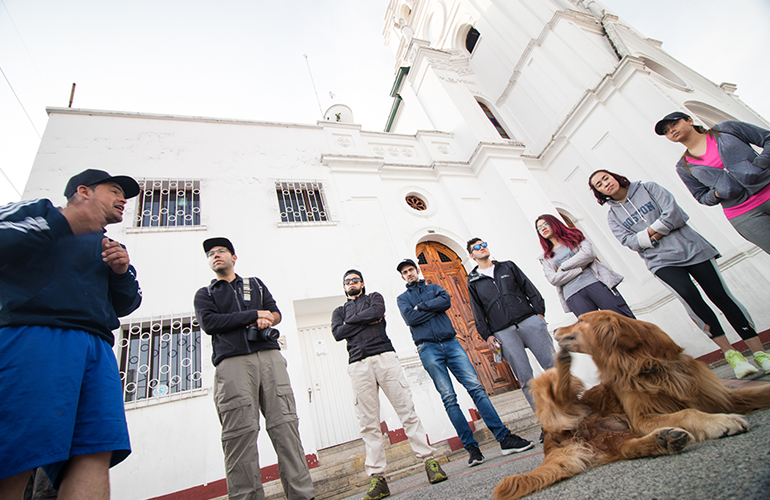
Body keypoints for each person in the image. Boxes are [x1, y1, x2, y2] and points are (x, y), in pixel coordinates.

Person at [0, 169, 143, 499]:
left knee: (93, 452)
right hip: (35, 337)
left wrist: (121, 272)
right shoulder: (39, 212)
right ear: (84, 191)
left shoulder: (111, 246)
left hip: (97, 350)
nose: (123, 199)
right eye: (115, 190)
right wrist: (63, 224)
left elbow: (128, 303)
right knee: (17, 450)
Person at [588, 169, 770, 378]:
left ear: (614, 176)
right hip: (661, 262)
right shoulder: (613, 216)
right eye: (599, 184)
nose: (605, 183)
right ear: (599, 193)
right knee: (692, 300)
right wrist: (656, 232)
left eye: (605, 178)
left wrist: (648, 235)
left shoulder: (649, 188)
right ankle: (732, 355)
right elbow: (628, 241)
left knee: (721, 296)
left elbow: (674, 214)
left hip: (693, 249)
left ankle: (759, 353)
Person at [193, 238, 314, 500]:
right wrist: (252, 315)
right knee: (239, 436)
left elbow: (276, 313)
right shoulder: (206, 294)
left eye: (221, 251)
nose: (215, 255)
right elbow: (210, 322)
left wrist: (266, 317)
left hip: (269, 357)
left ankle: (303, 495)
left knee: (286, 427)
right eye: (210, 253)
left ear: (233, 257)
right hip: (232, 363)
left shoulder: (255, 284)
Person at [395, 259, 533, 468]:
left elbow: (446, 302)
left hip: (451, 343)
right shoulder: (403, 298)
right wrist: (429, 309)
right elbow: (411, 319)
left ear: (417, 270)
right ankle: (472, 449)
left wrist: (422, 306)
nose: (409, 274)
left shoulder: (434, 287)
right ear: (402, 277)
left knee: (476, 389)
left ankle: (504, 438)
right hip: (428, 349)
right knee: (449, 398)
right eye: (404, 272)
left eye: (411, 270)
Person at [331, 270, 447, 500]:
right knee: (368, 423)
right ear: (344, 287)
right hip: (357, 365)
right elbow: (337, 332)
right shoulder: (339, 311)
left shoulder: (374, 297)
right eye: (347, 282)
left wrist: (351, 323)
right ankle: (378, 478)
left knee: (406, 410)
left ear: (362, 283)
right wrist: (362, 320)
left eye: (355, 280)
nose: (351, 283)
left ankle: (429, 462)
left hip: (384, 357)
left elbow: (377, 312)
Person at [655, 111, 770, 254]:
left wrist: (760, 165)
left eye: (674, 123)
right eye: (666, 131)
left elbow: (767, 138)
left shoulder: (726, 129)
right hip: (744, 215)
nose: (671, 130)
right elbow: (700, 196)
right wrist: (717, 193)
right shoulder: (684, 167)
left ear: (690, 120)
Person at [465, 238, 555, 417]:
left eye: (484, 245)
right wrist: (488, 335)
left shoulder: (507, 267)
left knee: (553, 366)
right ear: (471, 255)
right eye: (477, 247)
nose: (482, 248)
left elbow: (529, 288)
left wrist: (539, 314)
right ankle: (546, 421)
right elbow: (477, 310)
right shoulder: (473, 281)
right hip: (504, 332)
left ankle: (572, 407)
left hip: (529, 321)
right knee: (525, 377)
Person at [535, 214, 635, 319]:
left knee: (621, 318)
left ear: (553, 223)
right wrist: (580, 268)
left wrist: (563, 267)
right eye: (539, 228)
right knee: (595, 331)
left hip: (595, 282)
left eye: (545, 224)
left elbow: (588, 254)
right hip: (573, 294)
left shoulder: (574, 237)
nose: (543, 228)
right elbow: (554, 279)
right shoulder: (545, 257)